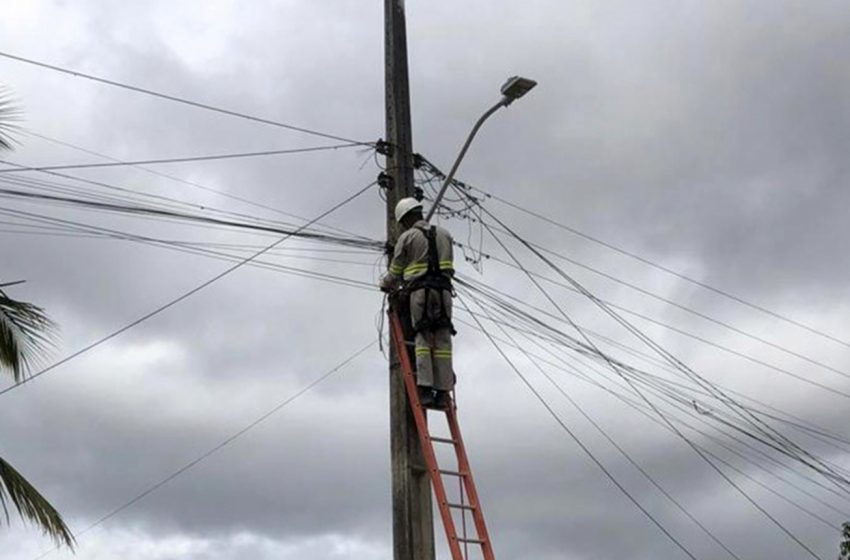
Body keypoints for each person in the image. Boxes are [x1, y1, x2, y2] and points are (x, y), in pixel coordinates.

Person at [381, 197, 455, 409]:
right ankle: (443, 392)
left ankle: (425, 389)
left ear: (406, 218)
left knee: (422, 337)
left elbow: (395, 272)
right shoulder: (445, 235)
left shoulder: (408, 237)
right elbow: (449, 268)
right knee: (442, 340)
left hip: (420, 293)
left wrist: (385, 284)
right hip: (444, 293)